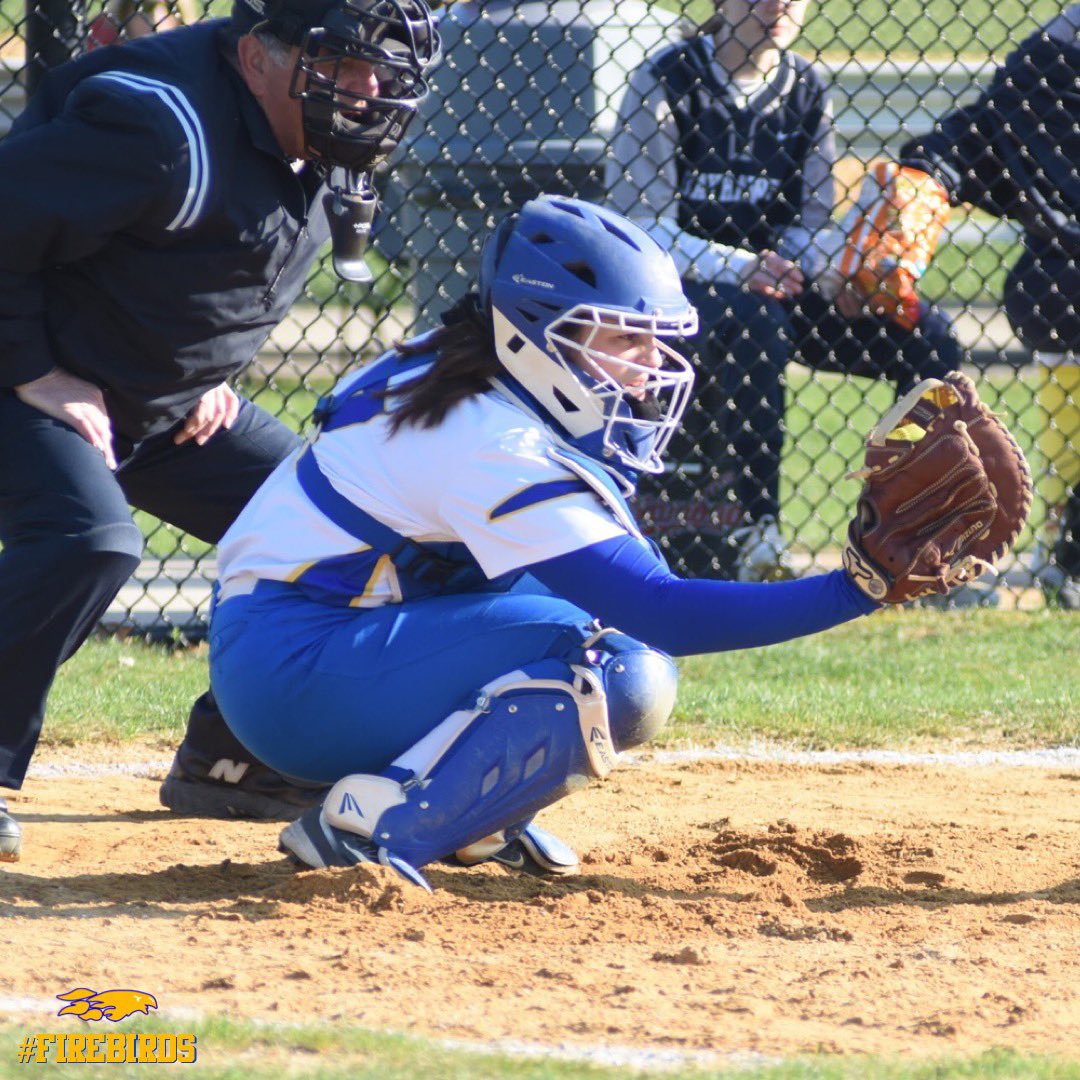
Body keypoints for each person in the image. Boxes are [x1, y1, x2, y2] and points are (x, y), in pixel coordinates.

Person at [205, 194, 897, 889]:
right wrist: (856, 587)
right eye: (626, 338)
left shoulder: (467, 373)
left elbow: (637, 579)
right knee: (624, 672)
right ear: (532, 333)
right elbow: (665, 613)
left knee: (604, 622)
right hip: (294, 671)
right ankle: (376, 825)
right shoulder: (490, 440)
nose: (650, 365)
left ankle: (467, 813)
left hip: (312, 633)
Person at [0, 0, 440, 863]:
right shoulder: (160, 129)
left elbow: (227, 259)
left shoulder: (329, 133)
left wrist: (210, 371)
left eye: (380, 70)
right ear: (255, 56)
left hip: (157, 401)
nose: (366, 89)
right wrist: (33, 370)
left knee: (352, 531)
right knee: (88, 540)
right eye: (340, 63)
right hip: (30, 378)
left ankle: (237, 756)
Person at [604, 0, 962, 583]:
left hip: (779, 281)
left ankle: (908, 533)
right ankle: (758, 529)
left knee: (927, 337)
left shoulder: (803, 86)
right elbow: (641, 223)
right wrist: (743, 266)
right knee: (757, 321)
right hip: (681, 287)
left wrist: (835, 275)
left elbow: (813, 220)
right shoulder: (666, 80)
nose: (776, 7)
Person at [895, 5, 1080, 609]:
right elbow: (948, 151)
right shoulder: (1045, 76)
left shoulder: (1036, 72)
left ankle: (1063, 540)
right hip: (1057, 278)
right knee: (1053, 287)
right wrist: (923, 183)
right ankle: (1065, 543)